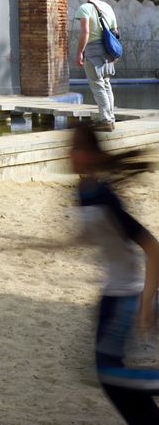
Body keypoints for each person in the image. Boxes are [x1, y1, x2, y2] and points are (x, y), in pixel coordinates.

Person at [70, 122, 159, 423]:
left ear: (92, 154)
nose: (69, 154)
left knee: (110, 373)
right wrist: (38, 247)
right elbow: (90, 234)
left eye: (77, 147)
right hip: (110, 294)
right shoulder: (83, 191)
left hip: (127, 295)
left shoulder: (105, 197)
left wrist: (146, 303)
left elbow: (152, 246)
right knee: (108, 375)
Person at [75, 0, 121, 131]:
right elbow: (115, 31)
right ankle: (110, 118)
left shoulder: (84, 8)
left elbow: (85, 32)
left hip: (93, 49)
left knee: (98, 86)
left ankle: (106, 121)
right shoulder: (108, 7)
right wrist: (113, 52)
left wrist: (80, 52)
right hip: (107, 49)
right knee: (106, 84)